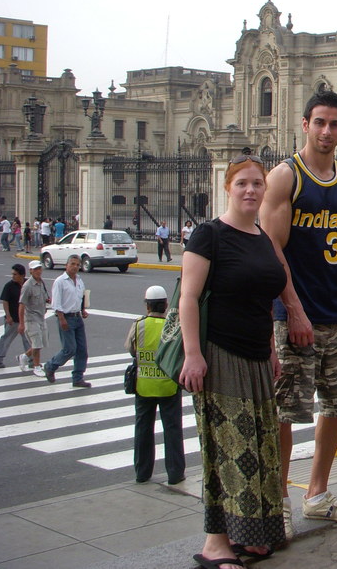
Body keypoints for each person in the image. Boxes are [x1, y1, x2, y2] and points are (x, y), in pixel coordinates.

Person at [260, 91, 337, 537]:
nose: (327, 131)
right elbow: (273, 249)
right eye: (320, 122)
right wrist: (292, 310)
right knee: (287, 411)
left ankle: (318, 494)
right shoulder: (286, 177)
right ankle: (279, 502)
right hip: (293, 316)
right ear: (305, 124)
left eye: (335, 124)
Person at [179, 152, 287, 565]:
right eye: (241, 183)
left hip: (258, 357)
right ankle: (215, 543)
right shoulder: (210, 235)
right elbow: (188, 297)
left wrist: (273, 351)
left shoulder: (262, 237)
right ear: (227, 187)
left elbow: (263, 298)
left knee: (257, 449)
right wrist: (193, 354)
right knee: (226, 449)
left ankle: (251, 534)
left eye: (257, 184)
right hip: (220, 355)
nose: (250, 190)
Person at [126, 285, 185, 485]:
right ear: (166, 305)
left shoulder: (138, 325)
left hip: (144, 386)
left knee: (143, 429)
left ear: (147, 306)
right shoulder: (173, 325)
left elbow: (131, 349)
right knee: (173, 429)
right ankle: (175, 474)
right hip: (169, 386)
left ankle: (142, 473)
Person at [44, 255, 91, 387]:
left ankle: (78, 378)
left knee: (82, 350)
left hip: (77, 317)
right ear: (67, 265)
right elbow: (56, 303)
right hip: (66, 317)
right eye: (73, 264)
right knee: (69, 349)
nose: (75, 267)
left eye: (77, 264)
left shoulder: (80, 280)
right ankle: (50, 366)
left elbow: (81, 296)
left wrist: (83, 310)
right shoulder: (60, 281)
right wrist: (61, 319)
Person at [17, 260, 50, 376]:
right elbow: (21, 305)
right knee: (37, 344)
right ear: (30, 271)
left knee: (40, 343)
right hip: (31, 319)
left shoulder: (41, 282)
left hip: (41, 317)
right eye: (35, 269)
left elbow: (44, 297)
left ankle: (24, 356)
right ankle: (36, 366)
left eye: (39, 269)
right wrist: (21, 323)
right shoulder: (27, 286)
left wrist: (47, 301)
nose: (38, 271)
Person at [0, 264, 30, 369]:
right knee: (6, 339)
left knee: (28, 340)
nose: (13, 276)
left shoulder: (28, 284)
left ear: (22, 275)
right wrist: (8, 316)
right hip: (13, 319)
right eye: (12, 274)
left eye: (15, 274)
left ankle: (32, 359)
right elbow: (5, 301)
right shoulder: (9, 286)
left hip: (26, 319)